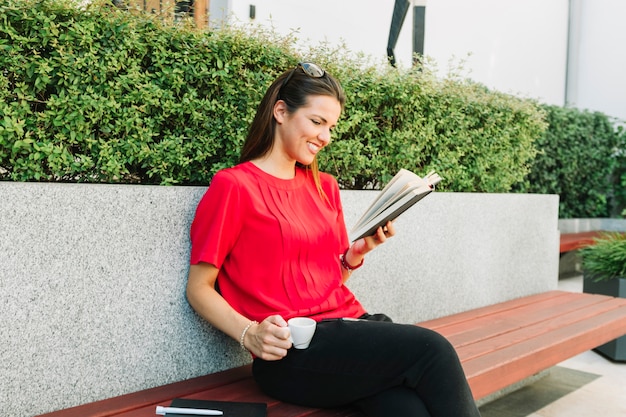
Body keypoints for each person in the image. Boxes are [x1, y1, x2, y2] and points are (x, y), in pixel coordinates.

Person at [186, 62, 482, 417]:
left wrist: (354, 256)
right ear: (281, 111)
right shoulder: (234, 187)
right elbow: (199, 287)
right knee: (433, 349)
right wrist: (249, 334)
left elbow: (323, 283)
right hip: (291, 354)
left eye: (331, 126)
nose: (325, 136)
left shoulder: (323, 186)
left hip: (347, 330)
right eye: (316, 122)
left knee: (407, 410)